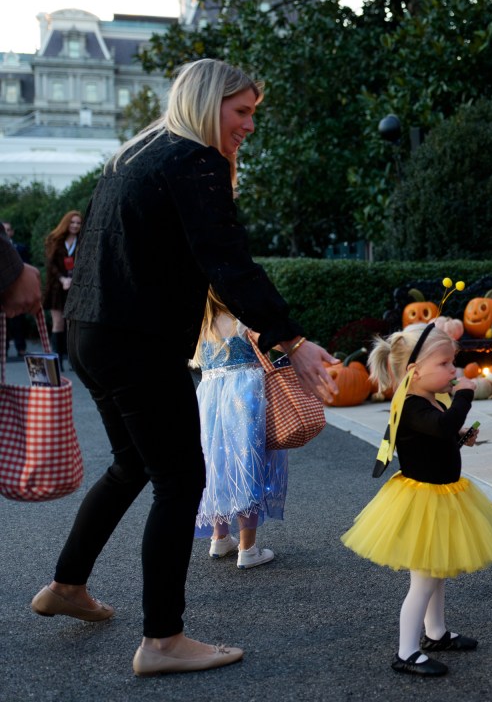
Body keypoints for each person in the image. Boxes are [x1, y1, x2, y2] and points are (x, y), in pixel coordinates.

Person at [32, 58, 336, 677]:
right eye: (241, 111)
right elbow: (227, 261)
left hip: (92, 334)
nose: (249, 125)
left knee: (132, 465)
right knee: (179, 479)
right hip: (135, 341)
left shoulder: (137, 153)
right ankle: (163, 639)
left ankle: (68, 583)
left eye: (253, 112)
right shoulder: (195, 161)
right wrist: (290, 340)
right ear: (207, 104)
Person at [341, 322, 492, 678]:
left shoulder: (429, 399)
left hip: (443, 496)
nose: (454, 371)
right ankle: (406, 651)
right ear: (415, 372)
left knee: (437, 571)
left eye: (453, 363)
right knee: (423, 581)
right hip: (423, 503)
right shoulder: (413, 405)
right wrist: (465, 394)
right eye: (446, 364)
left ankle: (436, 632)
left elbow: (442, 433)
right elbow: (441, 426)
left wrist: (461, 436)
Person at [193, 289, 288, 569]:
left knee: (217, 465)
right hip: (245, 396)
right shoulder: (244, 318)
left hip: (209, 398)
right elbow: (278, 345)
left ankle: (219, 537)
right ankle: (248, 549)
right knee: (248, 464)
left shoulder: (201, 323)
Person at [43, 210, 82, 366]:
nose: (75, 225)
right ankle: (57, 360)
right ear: (66, 222)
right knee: (58, 323)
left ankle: (73, 360)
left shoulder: (82, 241)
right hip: (57, 288)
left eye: (78, 223)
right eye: (72, 222)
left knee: (71, 324)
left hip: (75, 287)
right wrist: (62, 279)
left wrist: (73, 279)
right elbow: (50, 264)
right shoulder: (55, 240)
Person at [3, 221, 32, 358]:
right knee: (3, 323)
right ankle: (4, 349)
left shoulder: (20, 248)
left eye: (8, 229)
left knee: (18, 320)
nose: (6, 232)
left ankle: (21, 348)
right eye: (4, 230)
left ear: (12, 232)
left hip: (17, 290)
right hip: (2, 290)